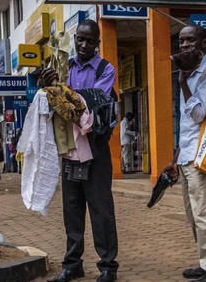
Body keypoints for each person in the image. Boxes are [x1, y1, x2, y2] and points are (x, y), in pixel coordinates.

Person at [41, 19, 119, 282]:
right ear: (74, 40)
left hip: (96, 149)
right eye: (80, 40)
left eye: (89, 40)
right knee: (72, 209)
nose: (83, 45)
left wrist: (60, 90)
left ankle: (108, 267)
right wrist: (48, 87)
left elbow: (92, 102)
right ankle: (72, 264)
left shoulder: (105, 69)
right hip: (70, 148)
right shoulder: (64, 66)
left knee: (101, 210)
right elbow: (56, 104)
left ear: (98, 43)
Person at [165, 25, 206, 282]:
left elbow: (198, 113)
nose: (184, 46)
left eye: (190, 40)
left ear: (203, 43)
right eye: (181, 41)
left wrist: (182, 82)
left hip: (202, 155)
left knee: (205, 212)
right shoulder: (189, 73)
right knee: (194, 215)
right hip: (187, 156)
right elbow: (188, 126)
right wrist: (175, 158)